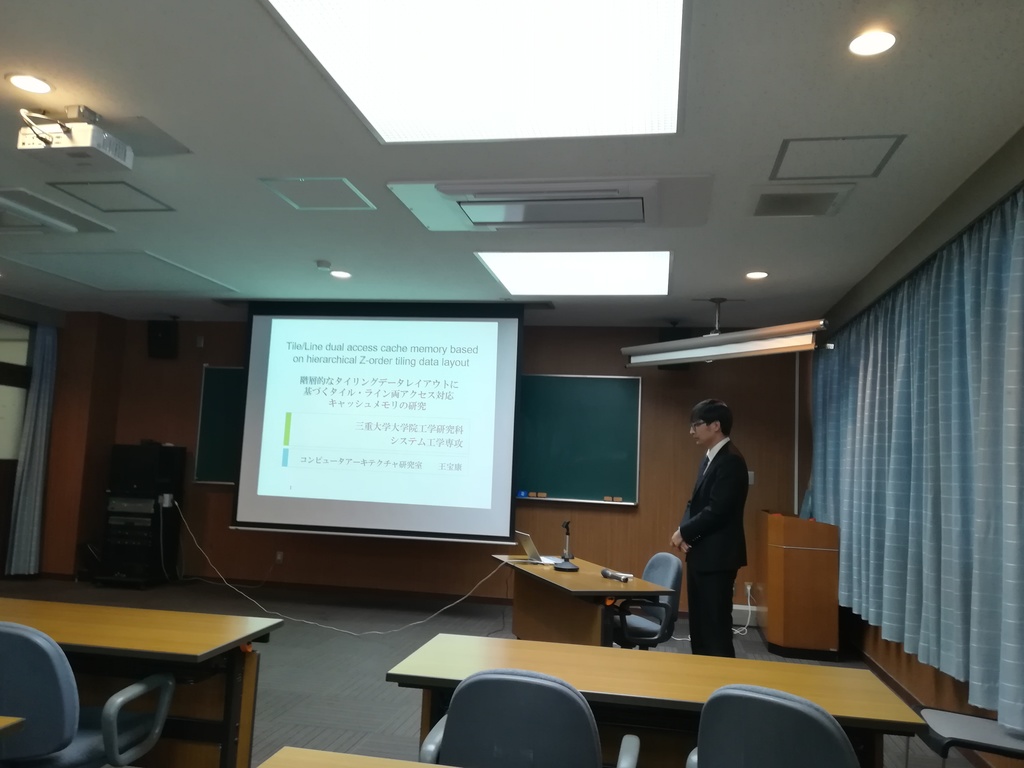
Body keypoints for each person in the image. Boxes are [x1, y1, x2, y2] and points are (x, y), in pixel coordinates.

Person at [669, 398, 748, 657]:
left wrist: (684, 532)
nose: (691, 431)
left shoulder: (731, 461)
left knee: (715, 629)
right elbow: (694, 502)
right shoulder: (709, 458)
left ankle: (722, 679)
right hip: (701, 554)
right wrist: (683, 532)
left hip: (718, 558)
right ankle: (700, 676)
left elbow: (717, 511)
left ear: (716, 425)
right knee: (700, 627)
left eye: (696, 424)